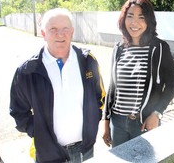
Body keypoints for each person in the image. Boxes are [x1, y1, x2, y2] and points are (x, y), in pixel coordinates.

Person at [9, 8, 106, 162]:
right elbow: (18, 111)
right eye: (53, 29)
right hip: (49, 155)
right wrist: (38, 133)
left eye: (65, 29)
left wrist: (93, 121)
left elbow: (99, 96)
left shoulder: (88, 60)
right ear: (43, 34)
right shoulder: (28, 70)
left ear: (72, 31)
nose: (60, 34)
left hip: (85, 150)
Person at [102, 0, 174, 148]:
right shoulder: (118, 48)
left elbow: (172, 85)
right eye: (130, 16)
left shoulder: (160, 48)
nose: (134, 23)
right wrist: (106, 122)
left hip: (143, 123)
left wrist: (157, 113)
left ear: (148, 21)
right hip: (117, 124)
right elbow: (112, 88)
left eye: (141, 17)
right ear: (123, 19)